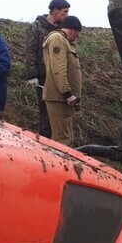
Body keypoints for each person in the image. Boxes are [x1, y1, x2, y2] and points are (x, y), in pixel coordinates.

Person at [25, 0, 70, 137]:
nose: (66, 15)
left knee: (58, 111)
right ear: (55, 11)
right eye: (64, 12)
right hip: (43, 77)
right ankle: (45, 140)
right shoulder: (37, 27)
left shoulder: (61, 30)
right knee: (45, 112)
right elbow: (30, 51)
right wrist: (32, 75)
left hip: (57, 75)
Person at [42, 15, 82, 146]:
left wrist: (76, 98)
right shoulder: (57, 39)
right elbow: (59, 69)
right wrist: (67, 93)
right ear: (72, 30)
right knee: (61, 140)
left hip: (65, 99)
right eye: (77, 33)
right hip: (59, 97)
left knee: (65, 137)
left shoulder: (64, 41)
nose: (77, 37)